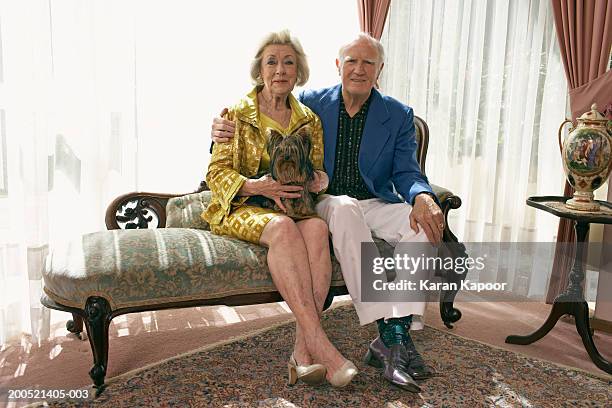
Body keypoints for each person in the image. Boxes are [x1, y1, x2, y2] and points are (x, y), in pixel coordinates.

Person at [211, 33, 443, 392]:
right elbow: (258, 119)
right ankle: (388, 331)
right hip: (328, 200)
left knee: (423, 228)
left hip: (377, 200)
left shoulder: (397, 114)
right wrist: (218, 129)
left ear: (380, 70)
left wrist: (423, 196)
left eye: (368, 63)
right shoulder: (311, 103)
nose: (359, 69)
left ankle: (391, 336)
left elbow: (407, 172)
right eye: (352, 61)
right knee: (345, 207)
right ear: (338, 66)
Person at [202, 30, 358, 387]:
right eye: (271, 61)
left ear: (298, 71)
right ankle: (324, 349)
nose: (280, 69)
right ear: (260, 70)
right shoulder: (236, 114)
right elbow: (215, 172)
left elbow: (316, 168)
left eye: (288, 62)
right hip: (245, 205)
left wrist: (319, 179)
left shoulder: (308, 120)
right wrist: (257, 185)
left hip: (295, 206)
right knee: (283, 229)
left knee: (317, 227)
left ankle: (301, 355)